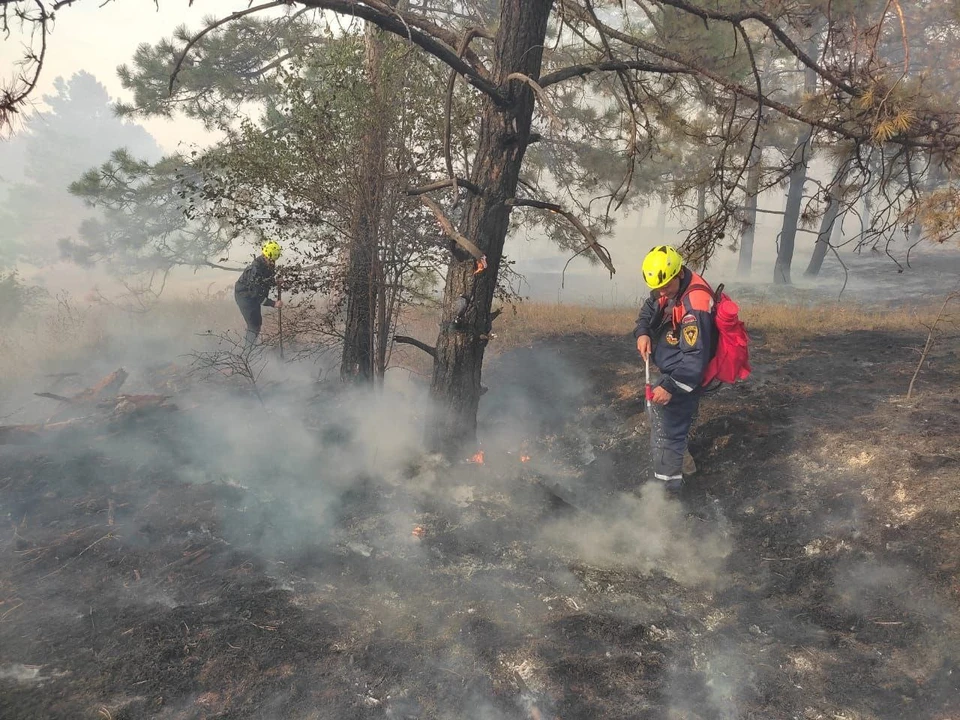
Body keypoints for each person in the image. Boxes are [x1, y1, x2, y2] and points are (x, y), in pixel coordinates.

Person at [633, 245, 715, 493]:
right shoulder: (667, 286)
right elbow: (648, 310)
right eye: (658, 288)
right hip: (671, 370)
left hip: (683, 376)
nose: (661, 292)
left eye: (666, 286)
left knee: (668, 434)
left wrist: (670, 387)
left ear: (679, 272)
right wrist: (643, 332)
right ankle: (684, 462)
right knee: (663, 424)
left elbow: (695, 358)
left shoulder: (695, 306)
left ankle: (666, 496)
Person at [234, 240, 283, 348]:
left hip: (252, 296)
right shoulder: (255, 270)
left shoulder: (268, 264)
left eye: (274, 260)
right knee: (254, 325)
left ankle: (250, 349)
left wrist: (276, 282)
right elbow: (256, 294)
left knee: (257, 324)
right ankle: (247, 353)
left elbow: (265, 281)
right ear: (265, 256)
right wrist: (273, 303)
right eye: (271, 260)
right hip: (245, 297)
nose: (273, 263)